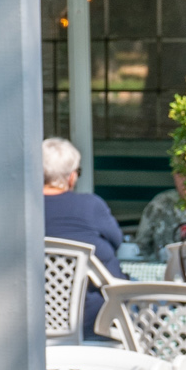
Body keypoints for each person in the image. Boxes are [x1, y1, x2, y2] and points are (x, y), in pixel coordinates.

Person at [42, 137, 122, 331]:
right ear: (71, 177)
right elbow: (117, 241)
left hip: (37, 318)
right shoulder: (90, 206)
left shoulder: (22, 209)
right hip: (97, 320)